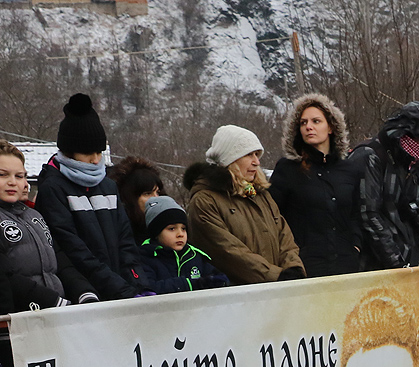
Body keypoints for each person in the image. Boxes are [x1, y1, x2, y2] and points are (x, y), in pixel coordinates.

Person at [35, 94, 141, 300]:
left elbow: (127, 242)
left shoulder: (109, 185)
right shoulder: (53, 189)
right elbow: (74, 251)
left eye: (99, 152)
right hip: (86, 295)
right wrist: (118, 288)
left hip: (124, 292)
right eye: (87, 153)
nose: (95, 160)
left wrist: (137, 283)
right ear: (69, 151)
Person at [184, 125, 305, 284]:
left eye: (257, 155)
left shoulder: (261, 194)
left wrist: (293, 268)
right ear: (230, 159)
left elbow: (285, 237)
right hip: (237, 299)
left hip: (276, 292)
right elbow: (227, 252)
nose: (256, 162)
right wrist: (274, 276)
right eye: (249, 155)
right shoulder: (204, 201)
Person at [269, 93, 362, 277]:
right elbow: (271, 216)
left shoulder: (348, 169)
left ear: (331, 127)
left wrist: (356, 245)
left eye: (316, 121)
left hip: (346, 266)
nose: (308, 127)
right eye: (303, 123)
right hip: (304, 268)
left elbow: (357, 214)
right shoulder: (288, 168)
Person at [0, 141, 96, 308]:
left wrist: (83, 291)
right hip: (20, 320)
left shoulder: (34, 215)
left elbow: (60, 261)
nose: (12, 182)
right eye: (3, 175)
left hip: (53, 316)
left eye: (19, 176)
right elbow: (7, 277)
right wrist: (51, 301)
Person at [349, 101, 419, 271]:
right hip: (371, 267)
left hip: (407, 262)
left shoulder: (415, 163)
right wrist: (395, 263)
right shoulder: (370, 157)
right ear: (407, 133)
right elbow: (368, 215)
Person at [132, 197, 230, 293]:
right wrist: (190, 284)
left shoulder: (194, 255)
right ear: (156, 233)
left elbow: (219, 278)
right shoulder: (145, 257)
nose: (180, 234)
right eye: (172, 229)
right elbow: (148, 287)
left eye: (183, 228)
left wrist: (215, 282)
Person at [107, 156, 166, 243]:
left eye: (158, 193)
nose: (156, 198)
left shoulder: (166, 226)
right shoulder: (119, 232)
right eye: (147, 194)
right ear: (130, 198)